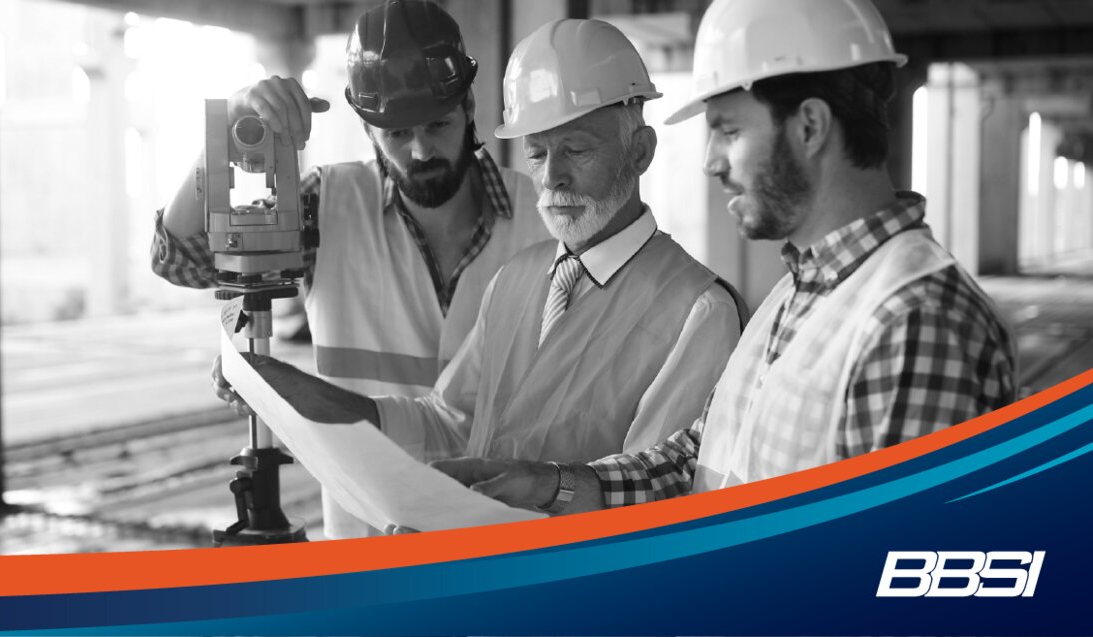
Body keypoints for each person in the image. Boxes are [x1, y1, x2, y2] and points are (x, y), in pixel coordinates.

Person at [433, 0, 1018, 514]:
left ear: (810, 125)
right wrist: (547, 485)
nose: (711, 161)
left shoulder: (913, 317)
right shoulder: (798, 293)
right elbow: (700, 460)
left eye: (728, 131)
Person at [218, 18, 744, 518]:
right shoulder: (516, 279)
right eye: (537, 154)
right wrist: (286, 387)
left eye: (577, 149)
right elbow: (445, 425)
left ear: (642, 152)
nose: (553, 177)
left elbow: (659, 500)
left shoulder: (698, 311)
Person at [151, 0, 550, 539]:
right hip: (367, 542)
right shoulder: (328, 206)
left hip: (505, 538)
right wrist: (228, 125)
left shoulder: (546, 218)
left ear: (469, 107)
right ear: (367, 129)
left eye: (438, 124)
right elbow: (178, 256)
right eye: (397, 134)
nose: (421, 149)